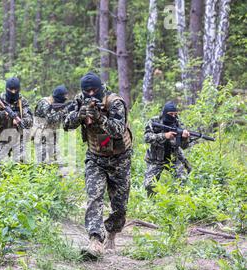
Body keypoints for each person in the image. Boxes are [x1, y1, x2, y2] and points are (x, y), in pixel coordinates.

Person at [64, 72, 133, 258]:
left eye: (95, 90)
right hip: (96, 157)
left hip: (120, 159)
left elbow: (118, 130)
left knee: (120, 207)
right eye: (87, 91)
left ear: (100, 88)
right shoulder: (80, 100)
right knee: (94, 196)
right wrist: (80, 115)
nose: (91, 94)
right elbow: (66, 123)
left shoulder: (115, 102)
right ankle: (95, 239)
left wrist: (100, 118)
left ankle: (112, 232)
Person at [143, 101, 191, 196]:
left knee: (183, 182)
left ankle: (178, 203)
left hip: (173, 159)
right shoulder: (154, 121)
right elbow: (147, 137)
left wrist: (185, 138)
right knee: (149, 185)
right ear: (165, 113)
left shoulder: (178, 123)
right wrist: (164, 136)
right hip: (156, 160)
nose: (173, 116)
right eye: (170, 114)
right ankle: (153, 206)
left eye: (175, 114)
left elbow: (184, 147)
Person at [0, 77, 33, 163]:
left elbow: (30, 120)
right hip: (1, 138)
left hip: (18, 138)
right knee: (1, 168)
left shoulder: (22, 101)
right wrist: (2, 114)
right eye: (11, 90)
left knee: (22, 167)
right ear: (6, 88)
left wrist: (19, 119)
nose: (13, 92)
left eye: (16, 90)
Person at [33, 85, 72, 164]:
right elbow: (50, 119)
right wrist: (65, 109)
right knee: (42, 163)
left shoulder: (58, 105)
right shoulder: (44, 103)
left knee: (56, 162)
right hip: (41, 136)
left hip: (53, 136)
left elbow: (66, 123)